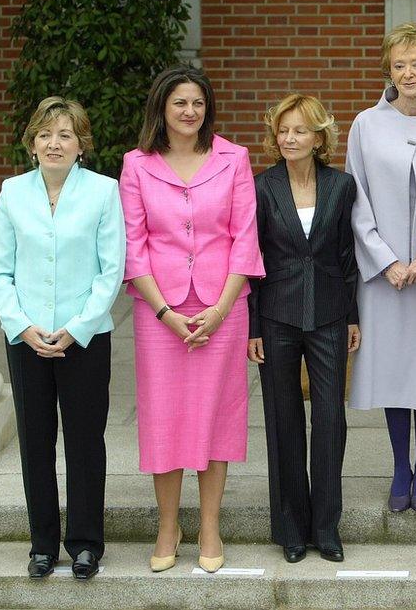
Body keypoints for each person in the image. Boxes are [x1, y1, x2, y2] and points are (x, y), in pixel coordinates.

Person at [120, 65, 264, 574]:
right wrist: (164, 311)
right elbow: (133, 248)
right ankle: (166, 526)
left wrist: (222, 309)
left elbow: (244, 239)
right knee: (163, 420)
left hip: (222, 308)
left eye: (197, 103)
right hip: (158, 311)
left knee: (216, 416)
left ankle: (208, 524)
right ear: (161, 107)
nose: (189, 111)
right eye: (179, 102)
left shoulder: (234, 159)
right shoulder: (137, 164)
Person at [0, 97, 125, 580]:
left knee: (85, 440)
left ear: (80, 146)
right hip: (25, 338)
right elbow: (0, 271)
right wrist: (22, 326)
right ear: (32, 144)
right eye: (46, 135)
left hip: (84, 339)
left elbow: (110, 271)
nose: (55, 143)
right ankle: (43, 544)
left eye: (65, 135)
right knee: (34, 440)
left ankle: (87, 543)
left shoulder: (103, 192)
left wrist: (76, 329)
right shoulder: (12, 193)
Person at [346, 22, 416, 514]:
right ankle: (399, 466)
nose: (409, 73)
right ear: (388, 69)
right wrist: (386, 259)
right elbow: (355, 196)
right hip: (383, 276)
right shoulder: (365, 124)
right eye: (399, 64)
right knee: (392, 371)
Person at [247, 94, 361, 564]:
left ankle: (325, 526)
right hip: (276, 314)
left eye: (300, 130)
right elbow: (249, 260)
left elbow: (347, 255)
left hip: (331, 312)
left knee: (330, 419)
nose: (290, 138)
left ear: (319, 137)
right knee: (283, 419)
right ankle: (291, 528)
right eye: (283, 130)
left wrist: (354, 315)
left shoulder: (342, 186)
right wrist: (252, 324)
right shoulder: (259, 186)